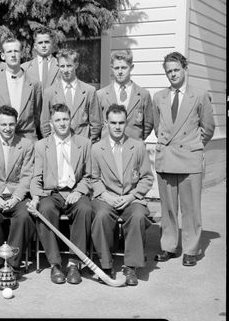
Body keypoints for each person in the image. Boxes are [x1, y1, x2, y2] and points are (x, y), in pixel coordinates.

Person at [153, 52, 215, 267]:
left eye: (176, 69)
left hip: (190, 158)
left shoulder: (199, 95)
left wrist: (193, 146)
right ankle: (168, 246)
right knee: (168, 208)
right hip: (166, 158)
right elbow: (157, 126)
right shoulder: (159, 97)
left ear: (185, 69)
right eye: (169, 71)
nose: (172, 74)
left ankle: (191, 249)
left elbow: (208, 128)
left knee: (190, 209)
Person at [27, 103, 93, 285]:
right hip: (52, 192)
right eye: (58, 120)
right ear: (51, 123)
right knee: (45, 209)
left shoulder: (84, 144)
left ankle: (74, 263)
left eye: (65, 119)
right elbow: (36, 177)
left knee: (85, 209)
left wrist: (79, 191)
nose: (62, 123)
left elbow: (89, 176)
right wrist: (35, 197)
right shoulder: (41, 146)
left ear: (70, 120)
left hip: (75, 191)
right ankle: (55, 264)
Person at [91, 104, 154, 286]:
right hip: (107, 197)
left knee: (137, 215)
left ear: (126, 123)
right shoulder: (97, 149)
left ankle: (131, 267)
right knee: (101, 216)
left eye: (121, 123)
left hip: (131, 197)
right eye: (113, 123)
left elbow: (147, 178)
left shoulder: (137, 146)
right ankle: (105, 265)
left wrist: (132, 196)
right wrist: (105, 195)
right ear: (106, 124)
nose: (117, 127)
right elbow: (93, 178)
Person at [0, 105, 36, 279]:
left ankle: (12, 264)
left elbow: (27, 176)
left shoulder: (26, 145)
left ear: (16, 123)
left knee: (24, 217)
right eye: (3, 124)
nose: (7, 128)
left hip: (17, 194)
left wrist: (16, 197)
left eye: (11, 124)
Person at [0, 36, 42, 141]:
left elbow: (37, 114)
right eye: (9, 52)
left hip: (27, 139)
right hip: (0, 138)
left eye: (16, 51)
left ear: (21, 53)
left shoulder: (35, 83)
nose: (13, 55)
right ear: (3, 55)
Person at [40, 48, 102, 142]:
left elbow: (96, 123)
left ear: (76, 65)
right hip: (58, 145)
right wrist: (52, 143)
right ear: (58, 66)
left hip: (81, 144)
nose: (65, 70)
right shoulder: (49, 92)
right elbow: (45, 124)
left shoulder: (89, 91)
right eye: (62, 66)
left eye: (69, 66)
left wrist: (87, 143)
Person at [97, 50, 154, 140]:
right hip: (109, 147)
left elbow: (148, 124)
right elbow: (97, 124)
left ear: (131, 67)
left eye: (124, 68)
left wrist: (136, 138)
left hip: (133, 146)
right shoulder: (101, 95)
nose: (120, 71)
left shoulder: (143, 94)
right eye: (116, 68)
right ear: (112, 68)